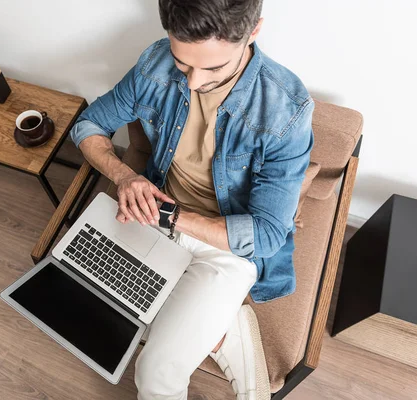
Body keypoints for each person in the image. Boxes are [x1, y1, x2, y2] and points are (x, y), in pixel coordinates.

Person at [70, 0, 314, 398]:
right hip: (151, 216)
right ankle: (223, 333)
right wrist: (125, 176)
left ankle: (217, 326)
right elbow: (88, 124)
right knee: (93, 303)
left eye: (214, 68)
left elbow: (268, 234)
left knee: (154, 374)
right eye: (183, 64)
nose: (194, 82)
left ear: (253, 31)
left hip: (225, 246)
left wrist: (170, 216)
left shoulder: (286, 110)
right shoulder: (154, 63)